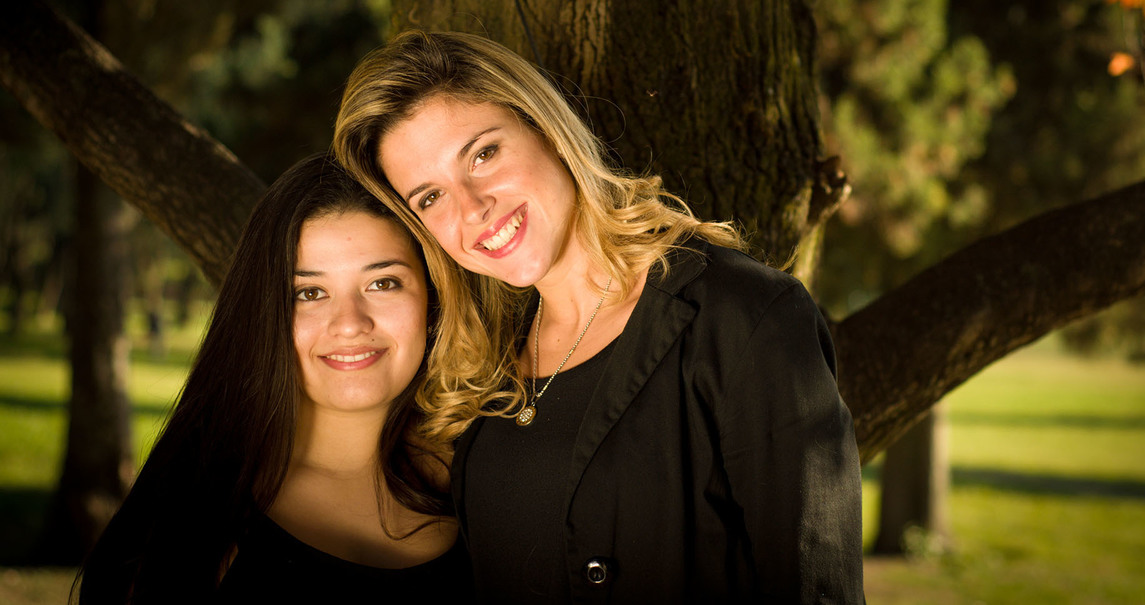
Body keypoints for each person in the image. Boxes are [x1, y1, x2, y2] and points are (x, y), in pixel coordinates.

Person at [333, 30, 865, 603]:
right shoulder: (477, 368)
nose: (472, 208)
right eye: (430, 197)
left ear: (548, 131)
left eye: (483, 154)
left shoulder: (746, 318)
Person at [76, 153, 471, 604]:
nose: (349, 323)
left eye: (383, 283)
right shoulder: (192, 517)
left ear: (434, 299)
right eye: (310, 293)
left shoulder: (487, 478)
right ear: (266, 314)